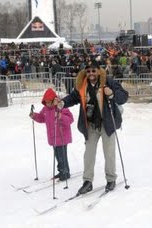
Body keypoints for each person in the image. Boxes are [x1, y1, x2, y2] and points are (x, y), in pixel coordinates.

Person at [55, 63, 129, 194]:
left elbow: (123, 96)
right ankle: (87, 181)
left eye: (93, 70)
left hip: (107, 124)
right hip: (91, 125)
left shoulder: (108, 82)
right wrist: (63, 103)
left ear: (99, 71)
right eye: (88, 71)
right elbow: (73, 97)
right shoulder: (82, 85)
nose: (91, 73)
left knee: (109, 154)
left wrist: (111, 94)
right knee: (88, 154)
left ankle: (111, 179)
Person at [30, 88, 73, 181]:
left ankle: (65, 172)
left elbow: (70, 119)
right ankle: (61, 170)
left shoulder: (61, 106)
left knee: (62, 156)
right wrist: (35, 116)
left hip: (62, 137)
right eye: (46, 102)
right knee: (57, 156)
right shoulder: (45, 109)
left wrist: (61, 117)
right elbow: (42, 118)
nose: (48, 104)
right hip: (53, 138)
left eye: (50, 102)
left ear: (54, 100)